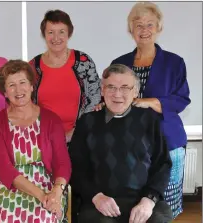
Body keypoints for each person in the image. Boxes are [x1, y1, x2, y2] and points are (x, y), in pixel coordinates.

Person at [111, 2, 191, 218]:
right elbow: (112, 96)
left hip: (168, 141)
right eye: (138, 25)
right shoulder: (119, 64)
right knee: (136, 203)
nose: (144, 30)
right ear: (131, 30)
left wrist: (149, 101)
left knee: (166, 204)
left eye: (149, 25)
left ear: (158, 28)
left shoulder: (175, 63)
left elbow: (181, 99)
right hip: (130, 144)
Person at [69, 64, 173, 223]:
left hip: (141, 200)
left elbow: (163, 165)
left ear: (135, 92)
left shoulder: (149, 120)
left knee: (158, 219)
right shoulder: (87, 121)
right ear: (102, 90)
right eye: (111, 87)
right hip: (100, 202)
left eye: (125, 87)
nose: (117, 94)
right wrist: (96, 196)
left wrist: (148, 200)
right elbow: (76, 167)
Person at [0, 60, 71, 223]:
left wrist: (56, 191)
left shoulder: (51, 120)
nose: (18, 90)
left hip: (46, 184)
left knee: (44, 218)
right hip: (5, 186)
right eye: (11, 85)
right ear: (5, 92)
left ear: (31, 86)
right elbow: (3, 168)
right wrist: (42, 196)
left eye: (23, 82)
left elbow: (62, 162)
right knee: (4, 218)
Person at [29, 9, 101, 143]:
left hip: (81, 138)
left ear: (69, 33)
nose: (56, 38)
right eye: (51, 32)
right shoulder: (33, 66)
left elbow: (94, 98)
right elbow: (28, 103)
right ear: (44, 34)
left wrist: (74, 132)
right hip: (43, 139)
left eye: (61, 31)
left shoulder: (84, 62)